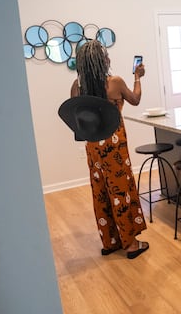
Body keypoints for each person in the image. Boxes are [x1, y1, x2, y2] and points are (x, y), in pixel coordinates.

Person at [69, 40, 149, 259]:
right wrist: (137, 77)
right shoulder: (115, 82)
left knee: (101, 190)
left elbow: (76, 119)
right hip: (114, 145)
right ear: (100, 61)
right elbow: (135, 99)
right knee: (121, 190)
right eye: (105, 56)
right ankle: (131, 245)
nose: (109, 59)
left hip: (93, 147)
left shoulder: (77, 87)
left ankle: (110, 241)